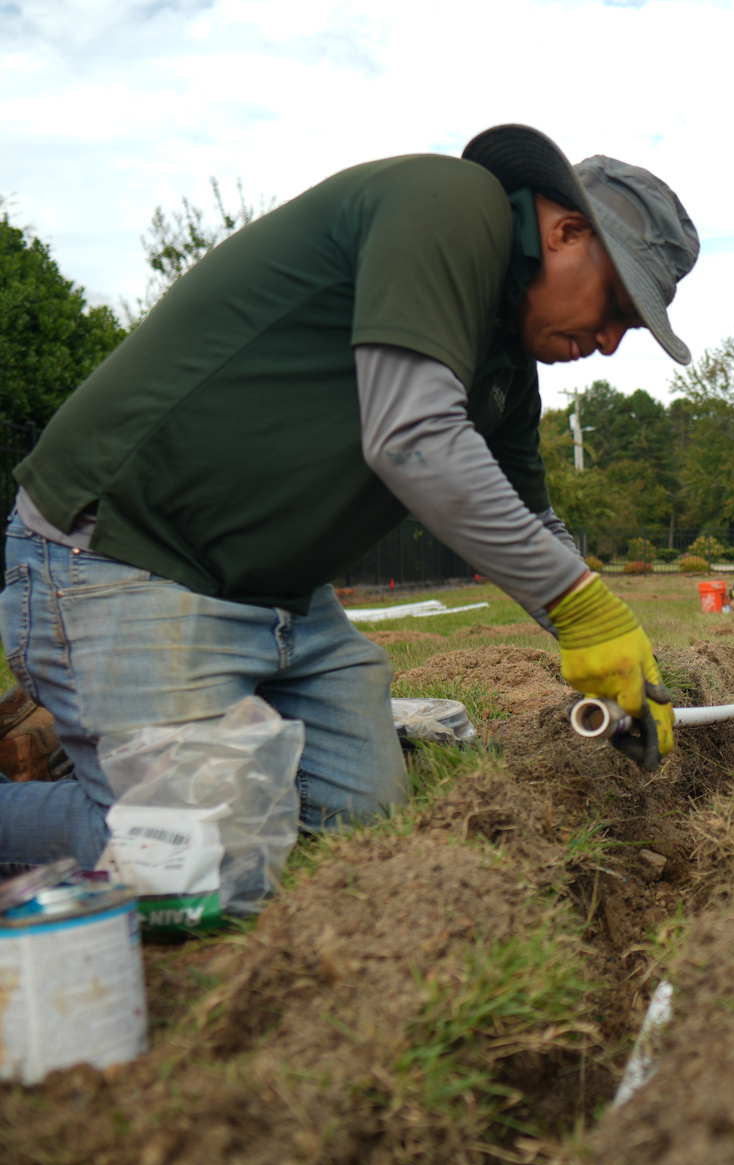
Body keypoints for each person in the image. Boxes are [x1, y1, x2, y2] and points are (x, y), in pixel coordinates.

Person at [0, 124, 695, 872]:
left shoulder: (504, 365)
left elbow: (531, 518)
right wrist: (580, 607)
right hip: (127, 558)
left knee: (363, 838)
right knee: (203, 869)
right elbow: (413, 437)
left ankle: (125, 752)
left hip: (284, 604)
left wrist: (623, 650)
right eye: (618, 303)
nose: (614, 341)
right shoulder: (451, 202)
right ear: (563, 231)